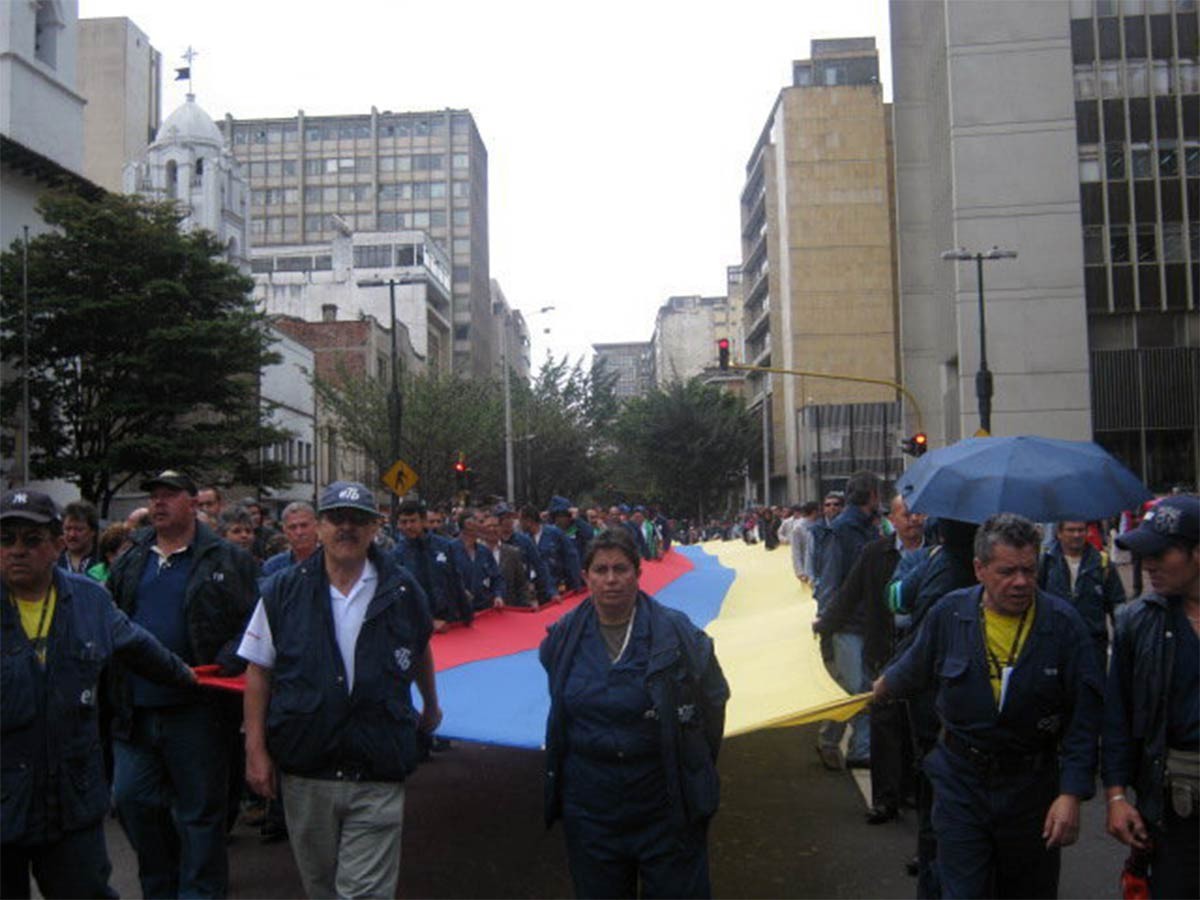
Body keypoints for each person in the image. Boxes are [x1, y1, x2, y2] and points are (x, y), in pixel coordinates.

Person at [873, 514, 1103, 899]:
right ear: (979, 569)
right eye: (1007, 571)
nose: (1020, 582)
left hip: (1031, 790)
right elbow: (909, 670)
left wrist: (1071, 794)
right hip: (962, 784)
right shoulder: (950, 614)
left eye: (1029, 571)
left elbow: (1084, 717)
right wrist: (877, 689)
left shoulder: (1064, 626)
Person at [240, 480, 441, 900]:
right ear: (319, 526)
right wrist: (255, 750)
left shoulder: (403, 591)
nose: (346, 528)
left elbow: (420, 648)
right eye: (336, 519)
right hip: (307, 767)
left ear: (373, 529)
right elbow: (258, 671)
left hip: (378, 765)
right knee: (322, 888)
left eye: (358, 520)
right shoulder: (282, 591)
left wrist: (430, 706)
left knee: (363, 894)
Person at [1, 489, 197, 900]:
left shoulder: (89, 600)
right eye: (6, 540)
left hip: (73, 804)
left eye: (31, 540)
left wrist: (192, 680)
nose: (17, 551)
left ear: (57, 544)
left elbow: (141, 649)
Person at [540, 528, 730, 898]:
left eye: (620, 569)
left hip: (665, 806)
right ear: (586, 577)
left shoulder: (678, 636)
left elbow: (714, 700)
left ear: (638, 573)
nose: (611, 580)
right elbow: (561, 704)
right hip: (592, 810)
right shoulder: (562, 639)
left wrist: (693, 765)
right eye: (600, 570)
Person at [106, 469, 259, 898]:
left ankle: (201, 892)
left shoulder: (229, 559)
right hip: (136, 710)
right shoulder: (132, 558)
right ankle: (160, 887)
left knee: (200, 815)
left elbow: (257, 620)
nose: (158, 503)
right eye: (153, 496)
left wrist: (231, 656)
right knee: (134, 802)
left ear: (193, 502)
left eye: (169, 495)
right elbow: (110, 618)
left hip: (199, 711)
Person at [1102, 494, 1199, 898]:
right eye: (1144, 554)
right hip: (1176, 805)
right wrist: (1117, 796)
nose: (1149, 564)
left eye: (1161, 552)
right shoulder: (1136, 623)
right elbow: (1117, 719)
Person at [814, 495, 925, 823]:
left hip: (923, 652)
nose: (914, 520)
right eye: (907, 513)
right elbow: (849, 594)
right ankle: (885, 800)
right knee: (885, 726)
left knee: (918, 729)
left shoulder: (939, 555)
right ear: (892, 517)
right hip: (885, 651)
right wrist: (825, 626)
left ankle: (915, 792)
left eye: (919, 512)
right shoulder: (876, 554)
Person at [815, 471, 881, 770]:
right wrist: (827, 622)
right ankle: (848, 744)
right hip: (847, 623)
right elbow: (829, 580)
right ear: (873, 496)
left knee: (859, 686)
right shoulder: (843, 531)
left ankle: (846, 744)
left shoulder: (869, 530)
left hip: (865, 621)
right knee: (856, 687)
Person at [1038, 520, 1126, 676]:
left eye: (1081, 530)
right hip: (1055, 643)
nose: (1077, 535)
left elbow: (1117, 605)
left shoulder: (1103, 563)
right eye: (1071, 530)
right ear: (1059, 533)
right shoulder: (1046, 562)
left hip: (1092, 644)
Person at [393, 499, 472, 629]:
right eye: (404, 522)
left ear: (423, 521)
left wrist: (467, 615)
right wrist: (429, 622)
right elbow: (400, 600)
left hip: (449, 623)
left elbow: (455, 581)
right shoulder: (396, 556)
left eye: (413, 521)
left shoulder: (444, 546)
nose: (408, 526)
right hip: (418, 630)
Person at [521, 504, 583, 593]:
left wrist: (576, 584)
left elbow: (571, 557)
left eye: (521, 520)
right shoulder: (525, 540)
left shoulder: (554, 533)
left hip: (559, 586)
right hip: (538, 588)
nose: (519, 524)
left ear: (529, 521)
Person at [261, 501, 320, 576]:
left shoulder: (332, 563)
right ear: (284, 531)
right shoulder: (273, 566)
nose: (299, 532)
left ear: (316, 526)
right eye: (292, 527)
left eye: (304, 525)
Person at [57, 500, 98, 575]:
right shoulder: (53, 562)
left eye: (79, 529)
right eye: (68, 529)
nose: (72, 535)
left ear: (93, 531)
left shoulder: (104, 563)